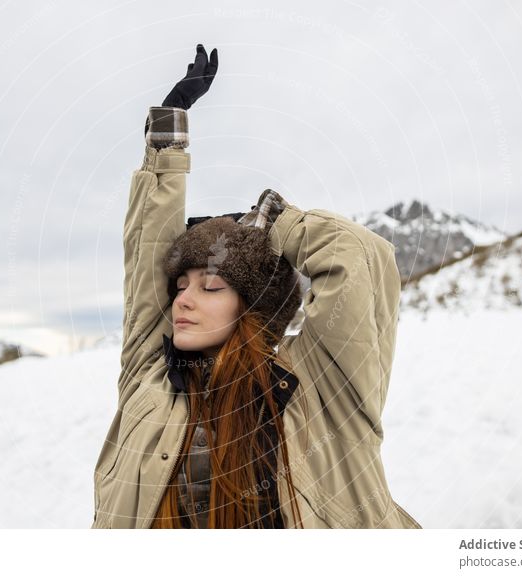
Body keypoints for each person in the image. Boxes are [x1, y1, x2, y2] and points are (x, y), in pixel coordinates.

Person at [92, 44, 422, 529]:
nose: (181, 299)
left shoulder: (320, 382)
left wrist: (276, 223)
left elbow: (358, 257)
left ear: (253, 307)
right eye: (181, 285)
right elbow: (146, 264)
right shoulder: (152, 377)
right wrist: (166, 142)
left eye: (210, 287)